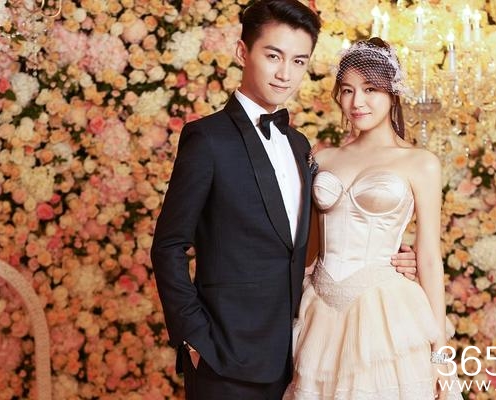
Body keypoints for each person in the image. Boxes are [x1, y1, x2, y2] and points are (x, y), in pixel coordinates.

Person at [150, 2, 418, 399]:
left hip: (298, 352)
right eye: (273, 56)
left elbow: (313, 240)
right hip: (223, 356)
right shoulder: (207, 139)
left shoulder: (299, 145)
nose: (284, 74)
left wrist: (394, 256)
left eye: (298, 61)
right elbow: (168, 245)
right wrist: (194, 338)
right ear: (243, 52)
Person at [284, 38, 463, 399]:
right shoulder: (323, 158)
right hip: (320, 307)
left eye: (370, 89)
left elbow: (429, 258)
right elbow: (309, 247)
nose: (357, 102)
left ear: (393, 93)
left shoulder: (420, 163)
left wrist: (441, 355)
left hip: (383, 308)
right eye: (347, 90)